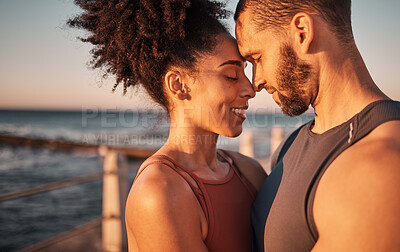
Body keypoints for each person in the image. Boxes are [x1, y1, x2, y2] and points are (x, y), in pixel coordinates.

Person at [69, 0, 267, 251]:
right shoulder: (159, 193)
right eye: (231, 76)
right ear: (178, 85)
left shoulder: (249, 171)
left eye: (245, 73)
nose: (250, 89)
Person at [234, 0, 400, 251]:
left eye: (257, 57)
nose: (256, 82)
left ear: (302, 32)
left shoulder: (379, 170)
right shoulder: (291, 145)